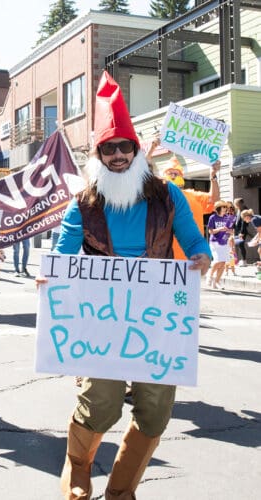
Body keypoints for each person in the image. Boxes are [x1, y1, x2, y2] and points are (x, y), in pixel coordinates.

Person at [43, 71, 211, 500]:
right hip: (102, 320)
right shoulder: (83, 202)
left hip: (158, 319)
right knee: (101, 404)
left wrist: (201, 256)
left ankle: (122, 491)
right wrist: (52, 274)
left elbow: (192, 239)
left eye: (124, 147)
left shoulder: (166, 194)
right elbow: (64, 253)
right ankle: (78, 469)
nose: (117, 155)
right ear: (97, 154)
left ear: (137, 151)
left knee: (155, 412)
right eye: (108, 148)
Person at [157, 151, 220, 260]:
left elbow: (213, 199)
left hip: (191, 258)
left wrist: (213, 177)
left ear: (181, 177)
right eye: (169, 173)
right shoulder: (157, 197)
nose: (172, 176)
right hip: (164, 258)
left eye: (175, 173)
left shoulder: (193, 195)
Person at [206, 200, 234, 289]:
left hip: (224, 242)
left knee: (223, 263)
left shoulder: (228, 217)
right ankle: (209, 275)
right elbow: (210, 231)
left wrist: (229, 231)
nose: (225, 209)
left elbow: (231, 231)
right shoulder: (213, 217)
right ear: (218, 208)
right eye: (223, 207)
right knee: (218, 260)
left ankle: (217, 282)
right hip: (215, 242)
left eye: (226, 207)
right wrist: (220, 229)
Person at [234, 198, 249, 266]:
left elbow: (244, 223)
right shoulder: (239, 210)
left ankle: (244, 260)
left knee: (241, 245)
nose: (235, 205)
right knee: (238, 245)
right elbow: (237, 220)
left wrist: (242, 232)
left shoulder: (245, 210)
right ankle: (239, 260)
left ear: (240, 203)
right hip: (237, 230)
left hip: (241, 231)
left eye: (236, 204)